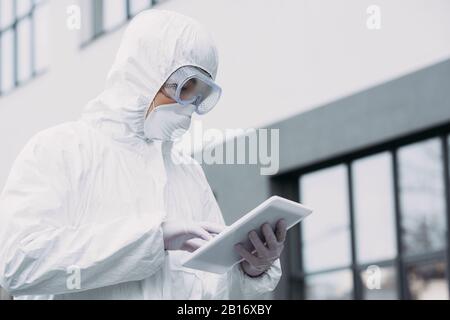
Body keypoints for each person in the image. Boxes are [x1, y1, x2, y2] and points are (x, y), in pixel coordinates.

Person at [0, 9, 286, 300]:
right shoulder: (60, 150)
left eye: (200, 94)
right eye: (185, 87)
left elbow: (209, 294)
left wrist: (250, 269)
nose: (190, 104)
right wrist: (154, 237)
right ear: (146, 72)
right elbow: (19, 264)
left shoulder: (188, 173)